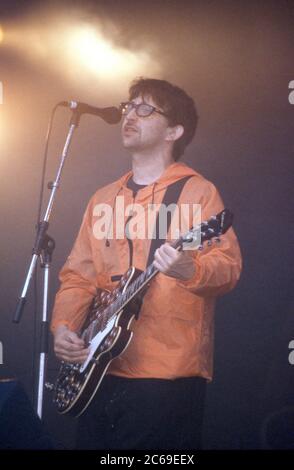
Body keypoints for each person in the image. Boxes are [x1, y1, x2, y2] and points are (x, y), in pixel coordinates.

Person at [51, 77, 242, 450]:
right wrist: (63, 329)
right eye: (129, 106)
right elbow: (78, 276)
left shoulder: (197, 192)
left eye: (145, 109)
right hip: (96, 368)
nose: (130, 115)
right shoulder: (103, 198)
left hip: (164, 374)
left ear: (175, 130)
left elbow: (228, 266)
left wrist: (192, 269)